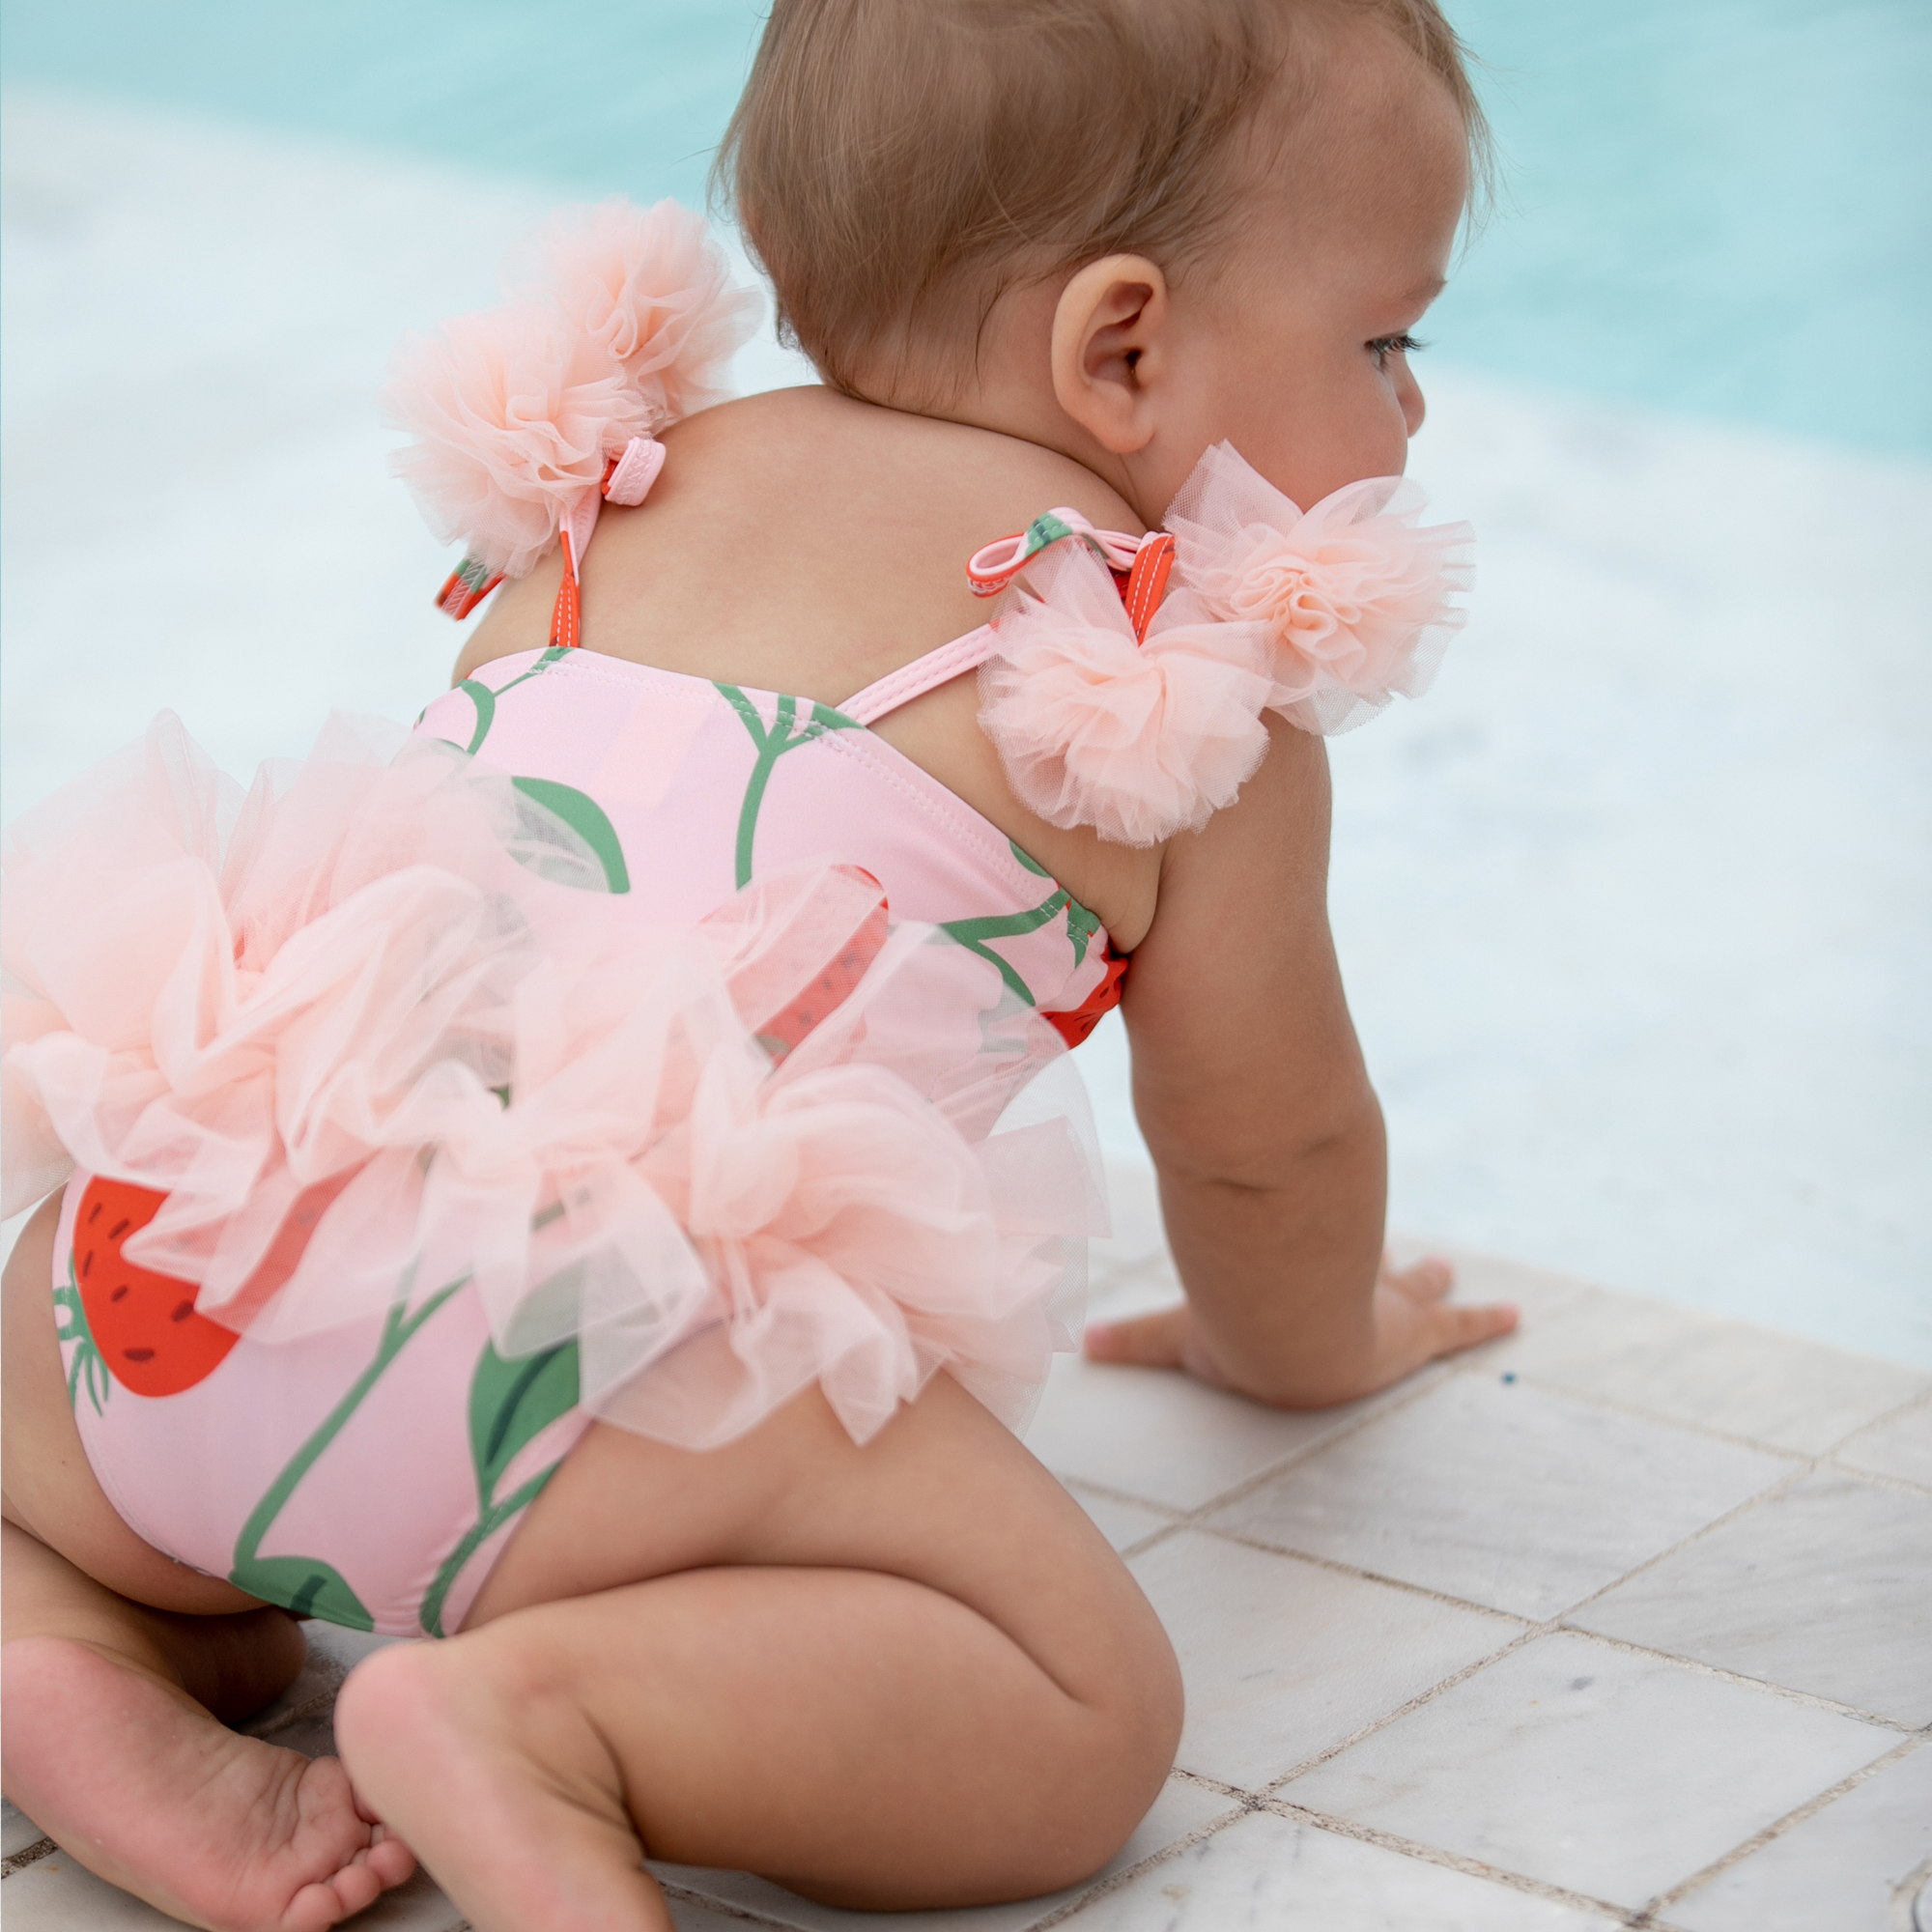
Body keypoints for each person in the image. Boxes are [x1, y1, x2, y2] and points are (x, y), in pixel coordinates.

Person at [0, 2, 1520, 1926]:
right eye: (1387, 340)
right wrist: (1301, 1346)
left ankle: (55, 1646)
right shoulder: (1163, 683)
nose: (1408, 411)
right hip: (575, 1362)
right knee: (1081, 1707)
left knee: (67, 1471)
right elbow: (1265, 1145)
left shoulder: (609, 497)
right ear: (1117, 346)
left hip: (181, 1267)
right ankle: (542, 1721)